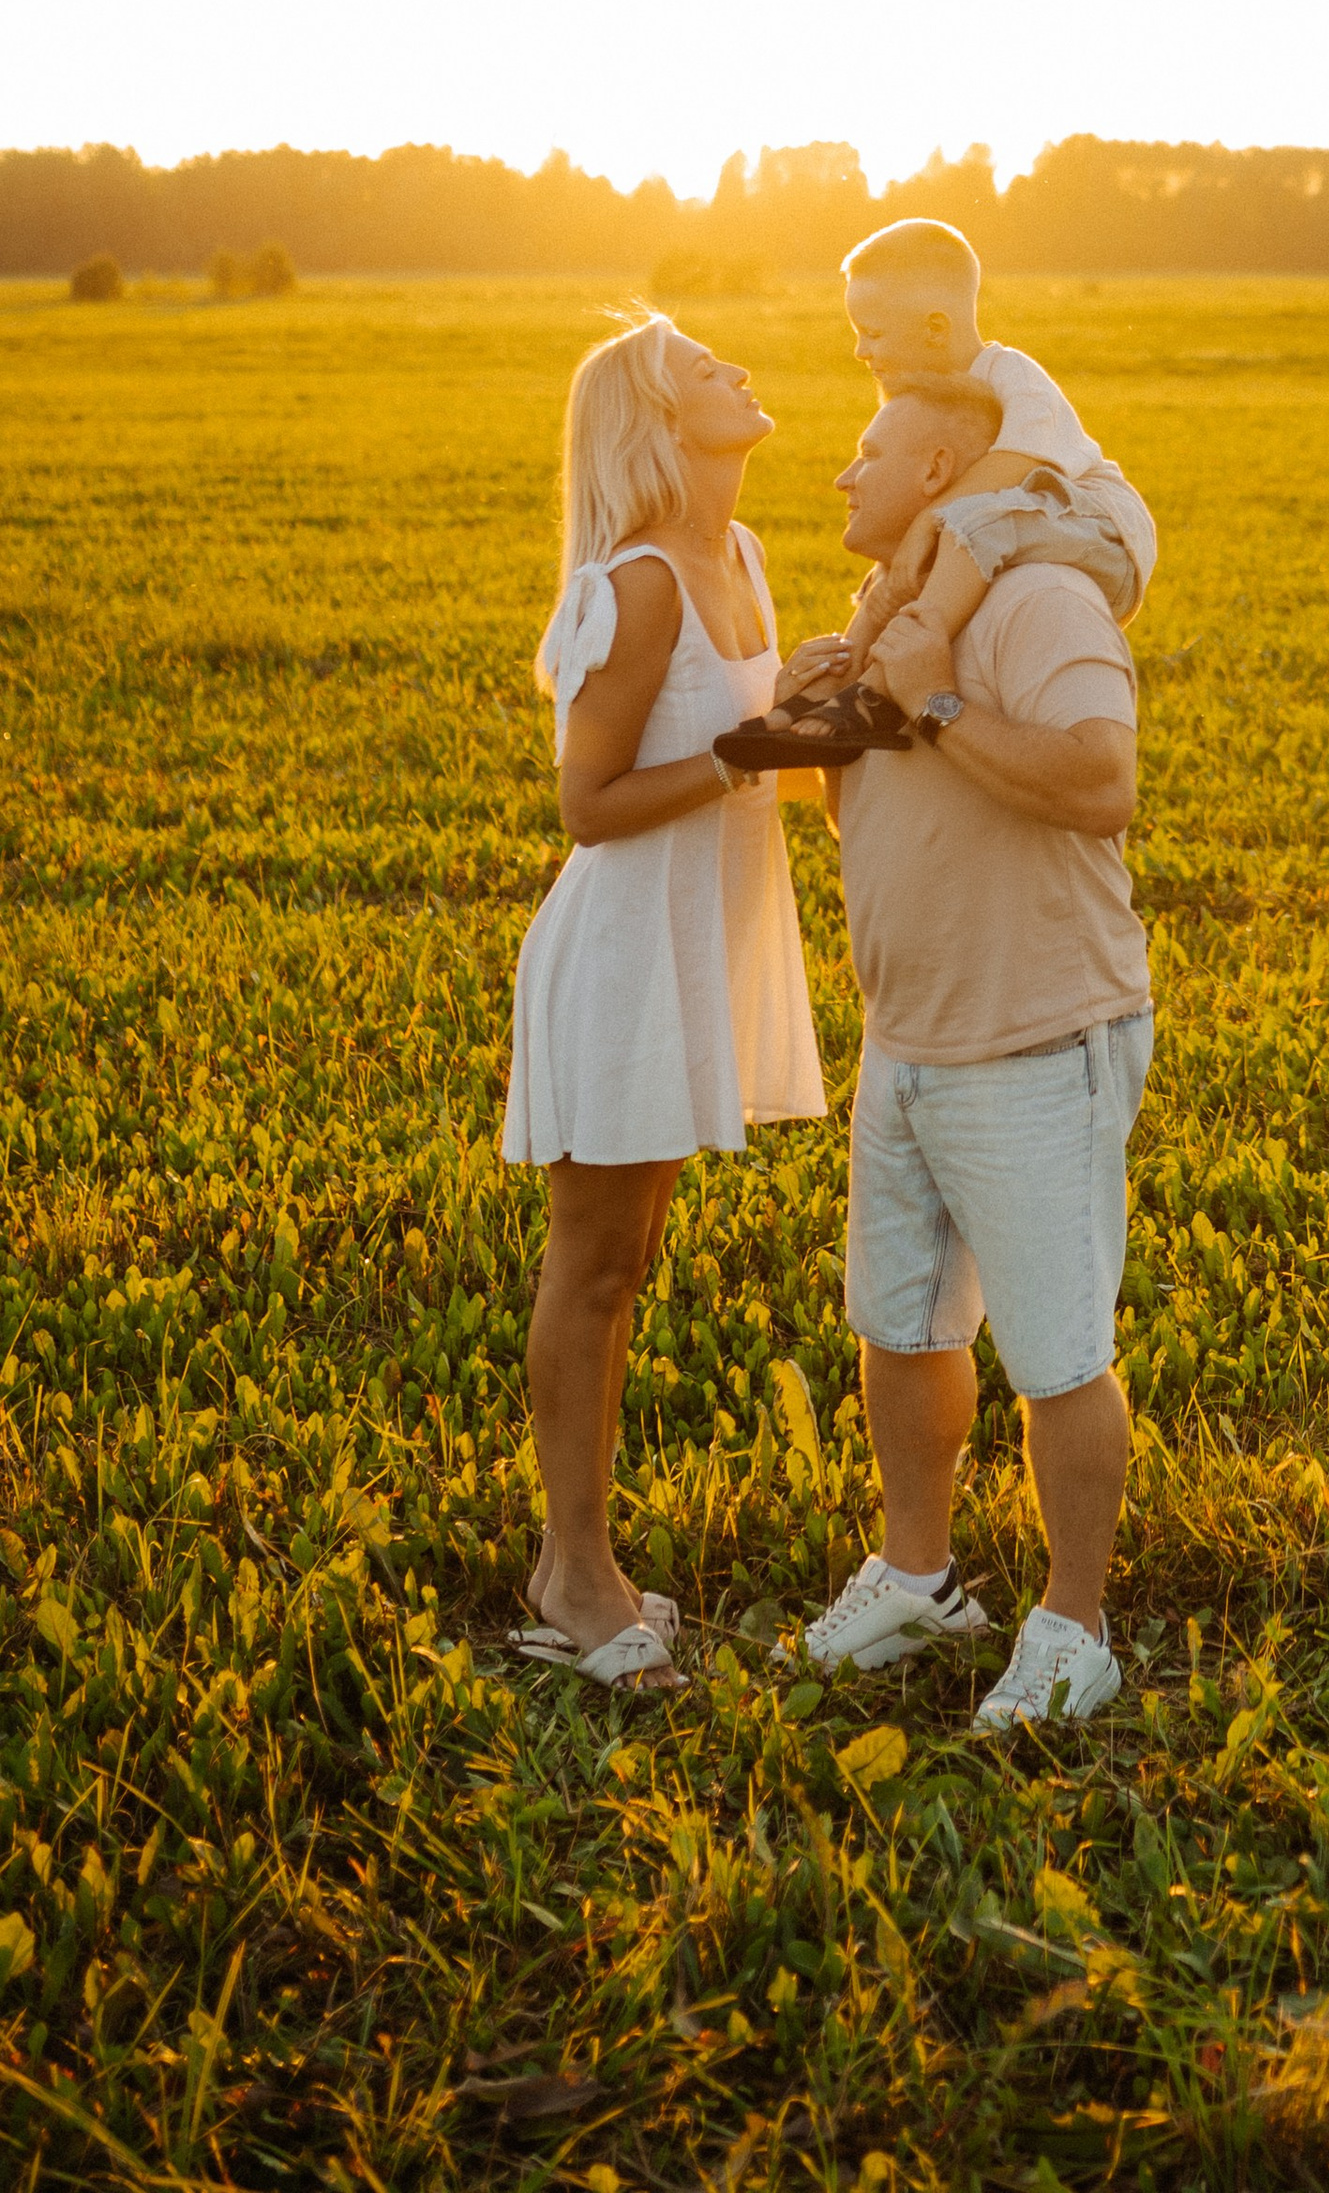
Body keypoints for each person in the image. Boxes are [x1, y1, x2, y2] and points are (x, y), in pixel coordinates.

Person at [794, 371, 1152, 1730]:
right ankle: (919, 1572)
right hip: (909, 1036)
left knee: (1056, 1351)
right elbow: (873, 826)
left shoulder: (1039, 602)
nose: (844, 473)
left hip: (1034, 1028)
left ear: (942, 464)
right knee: (901, 1322)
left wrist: (936, 699)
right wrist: (842, 705)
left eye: (868, 446)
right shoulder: (888, 614)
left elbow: (1097, 779)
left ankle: (1076, 1626)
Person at [501, 314, 843, 1689]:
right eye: (711, 371)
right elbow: (588, 806)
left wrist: (834, 707)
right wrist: (749, 749)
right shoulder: (643, 582)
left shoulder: (744, 556)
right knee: (589, 1270)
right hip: (625, 952)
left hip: (696, 944)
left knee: (626, 1266)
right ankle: (573, 1577)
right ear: (658, 418)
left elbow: (769, 763)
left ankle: (581, 1559)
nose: (743, 374)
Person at [721, 218, 1153, 768]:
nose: (859, 350)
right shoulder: (929, 399)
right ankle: (830, 686)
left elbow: (1015, 465)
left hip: (1096, 525)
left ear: (934, 328)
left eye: (872, 333)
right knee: (898, 566)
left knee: (963, 524)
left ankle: (873, 693)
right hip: (1016, 521)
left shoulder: (1011, 376)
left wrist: (928, 523)